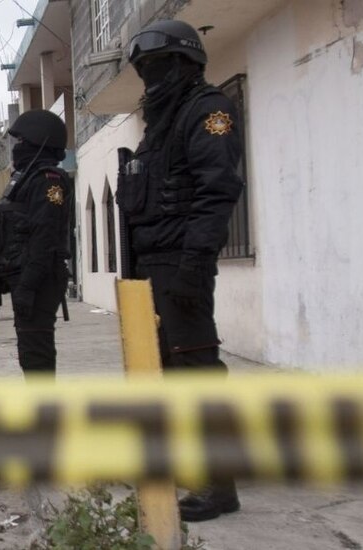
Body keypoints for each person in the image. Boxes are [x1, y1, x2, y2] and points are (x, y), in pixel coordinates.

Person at [119, 19, 245, 522]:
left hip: (182, 266)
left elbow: (218, 193)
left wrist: (195, 264)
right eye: (143, 69)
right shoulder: (160, 124)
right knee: (165, 374)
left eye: (157, 66)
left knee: (198, 374)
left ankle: (221, 486)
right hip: (153, 266)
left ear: (184, 64)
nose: (150, 78)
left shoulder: (207, 110)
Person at [0, 109, 73, 377]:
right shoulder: (23, 180)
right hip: (23, 276)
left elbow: (44, 238)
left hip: (40, 279)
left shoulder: (48, 180)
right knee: (29, 350)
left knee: (36, 351)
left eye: (22, 142)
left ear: (39, 142)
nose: (17, 148)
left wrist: (29, 286)